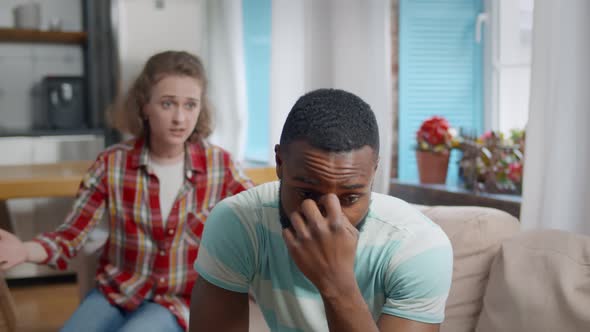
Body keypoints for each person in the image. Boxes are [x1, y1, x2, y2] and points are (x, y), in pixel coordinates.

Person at [0, 51, 253, 332]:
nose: (180, 118)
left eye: (190, 105)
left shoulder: (220, 164)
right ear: (144, 106)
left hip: (179, 300)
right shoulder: (112, 163)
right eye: (167, 103)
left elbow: (260, 214)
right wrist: (23, 250)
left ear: (200, 108)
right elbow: (70, 236)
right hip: (117, 292)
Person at [189, 89, 453, 332]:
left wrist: (337, 284)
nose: (329, 217)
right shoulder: (239, 223)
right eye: (307, 194)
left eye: (350, 198)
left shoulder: (418, 246)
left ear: (374, 171)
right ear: (280, 163)